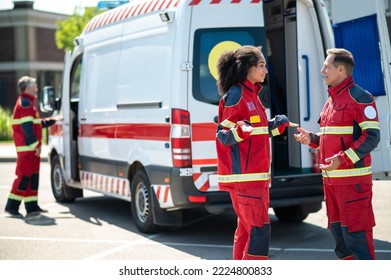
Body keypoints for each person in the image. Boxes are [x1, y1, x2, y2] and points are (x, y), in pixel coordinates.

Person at [294, 48, 380, 260]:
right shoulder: (331, 100)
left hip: (353, 185)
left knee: (357, 241)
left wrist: (341, 159)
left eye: (327, 66)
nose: (322, 70)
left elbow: (371, 137)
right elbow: (330, 136)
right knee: (341, 242)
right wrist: (312, 139)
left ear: (340, 69)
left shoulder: (360, 98)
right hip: (332, 184)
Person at [215, 45, 297, 260]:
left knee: (247, 230)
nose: (266, 70)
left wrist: (275, 125)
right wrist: (239, 131)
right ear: (247, 69)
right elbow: (223, 134)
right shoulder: (237, 95)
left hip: (254, 178)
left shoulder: (252, 94)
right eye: (261, 65)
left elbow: (255, 130)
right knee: (259, 230)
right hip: (246, 179)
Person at [5, 76, 59, 218]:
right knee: (23, 177)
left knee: (32, 178)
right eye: (34, 84)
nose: (36, 87)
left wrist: (51, 121)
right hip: (27, 149)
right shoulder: (25, 103)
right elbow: (27, 128)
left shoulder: (29, 103)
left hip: (30, 149)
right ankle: (11, 206)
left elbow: (35, 124)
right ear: (27, 87)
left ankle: (31, 206)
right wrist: (35, 145)